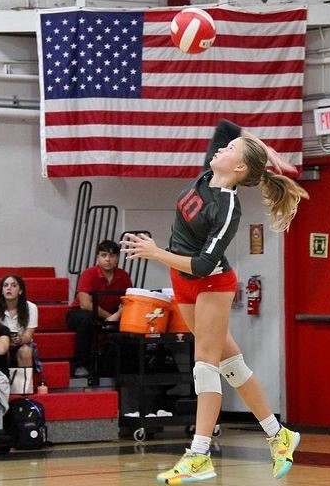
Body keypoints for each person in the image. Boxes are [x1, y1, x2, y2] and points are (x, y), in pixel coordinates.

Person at [120, 119, 309, 484]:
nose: (222, 148)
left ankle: (199, 453)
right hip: (183, 281)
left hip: (212, 285)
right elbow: (227, 126)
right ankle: (278, 434)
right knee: (231, 364)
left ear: (238, 168)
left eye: (231, 150)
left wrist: (156, 253)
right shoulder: (212, 170)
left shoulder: (227, 208)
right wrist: (267, 150)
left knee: (204, 364)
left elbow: (206, 264)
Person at [66, 239, 133, 378]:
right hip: (80, 313)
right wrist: (109, 317)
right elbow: (85, 304)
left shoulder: (124, 276)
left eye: (112, 256)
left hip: (111, 315)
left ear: (117, 259)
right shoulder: (88, 274)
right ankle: (81, 365)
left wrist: (117, 315)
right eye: (103, 255)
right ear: (97, 257)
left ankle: (121, 369)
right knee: (86, 318)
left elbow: (129, 300)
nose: (107, 259)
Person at [0, 275, 39, 370]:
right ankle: (3, 383)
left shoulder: (31, 307)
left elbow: (28, 335)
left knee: (25, 351)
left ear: (20, 291)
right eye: (5, 285)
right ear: (2, 291)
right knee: (2, 351)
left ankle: (26, 383)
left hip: (22, 342)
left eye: (13, 285)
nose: (9, 288)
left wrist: (20, 339)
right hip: (2, 343)